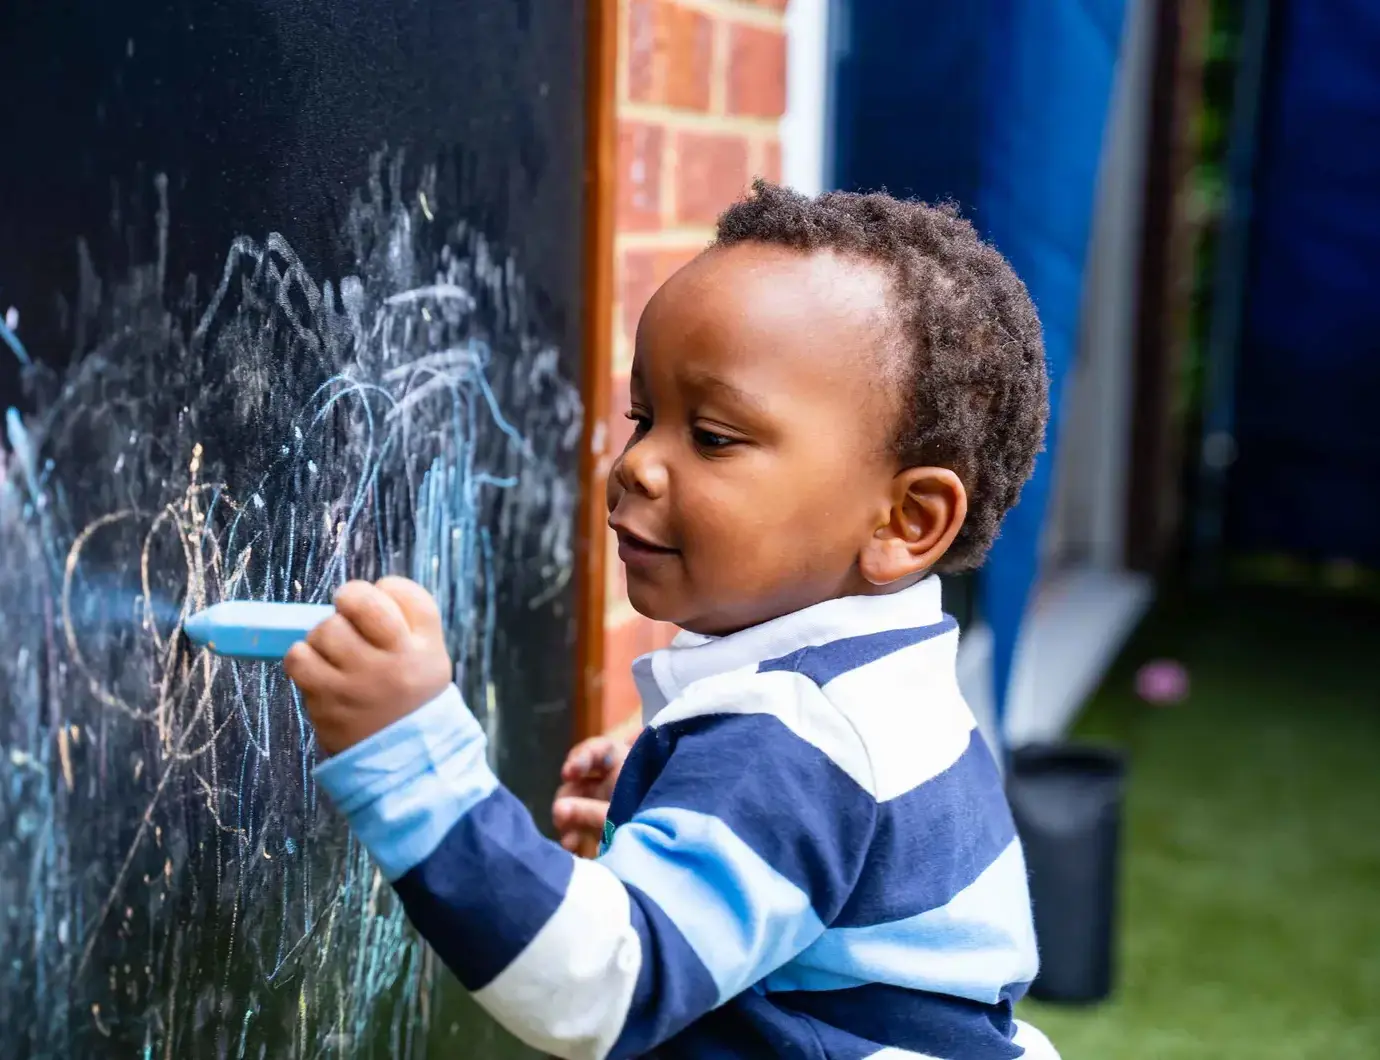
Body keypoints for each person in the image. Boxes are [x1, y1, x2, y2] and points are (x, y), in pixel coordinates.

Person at [285, 180, 1056, 1060]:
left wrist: (405, 756)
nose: (637, 465)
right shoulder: (885, 693)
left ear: (905, 522)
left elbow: (598, 986)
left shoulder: (797, 739)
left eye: (715, 437)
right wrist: (681, 812)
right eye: (645, 418)